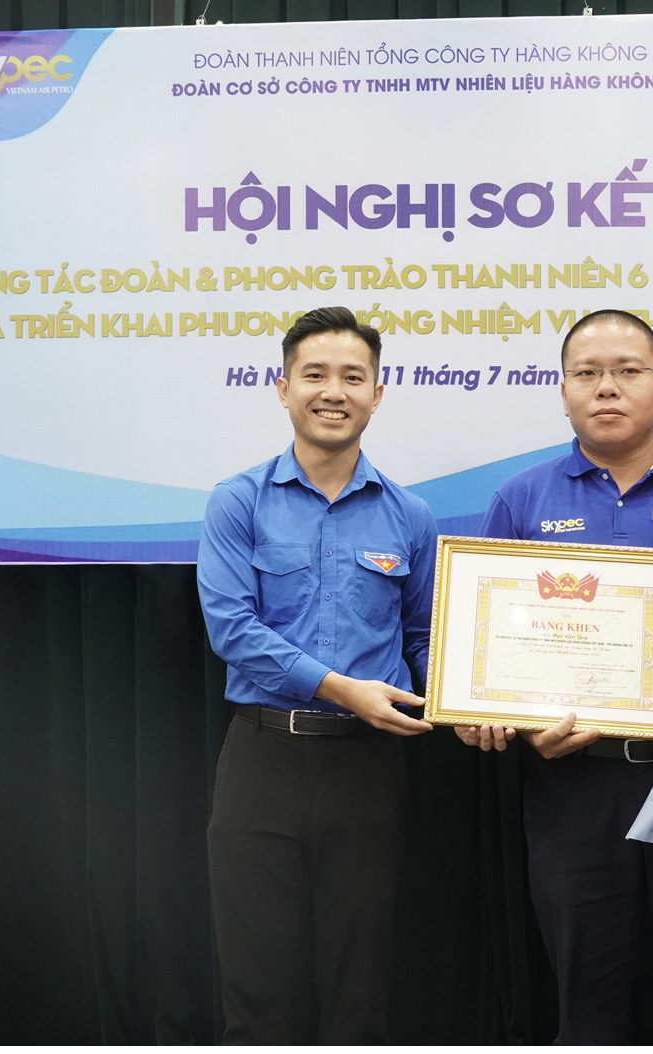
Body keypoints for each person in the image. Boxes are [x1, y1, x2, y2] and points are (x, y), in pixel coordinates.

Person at [456, 309, 653, 1044]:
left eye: (627, 371)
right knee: (586, 1000)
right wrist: (505, 720)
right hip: (573, 785)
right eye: (587, 373)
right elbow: (484, 652)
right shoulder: (522, 500)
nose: (607, 387)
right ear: (563, 391)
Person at [197, 306, 436, 1044]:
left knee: (359, 978)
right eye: (315, 375)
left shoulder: (410, 516)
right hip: (262, 758)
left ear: (377, 393)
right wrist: (341, 689)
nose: (334, 392)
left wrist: (479, 703)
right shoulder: (238, 500)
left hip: (368, 768)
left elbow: (425, 640)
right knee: (255, 979)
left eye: (353, 377)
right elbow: (232, 630)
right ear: (283, 387)